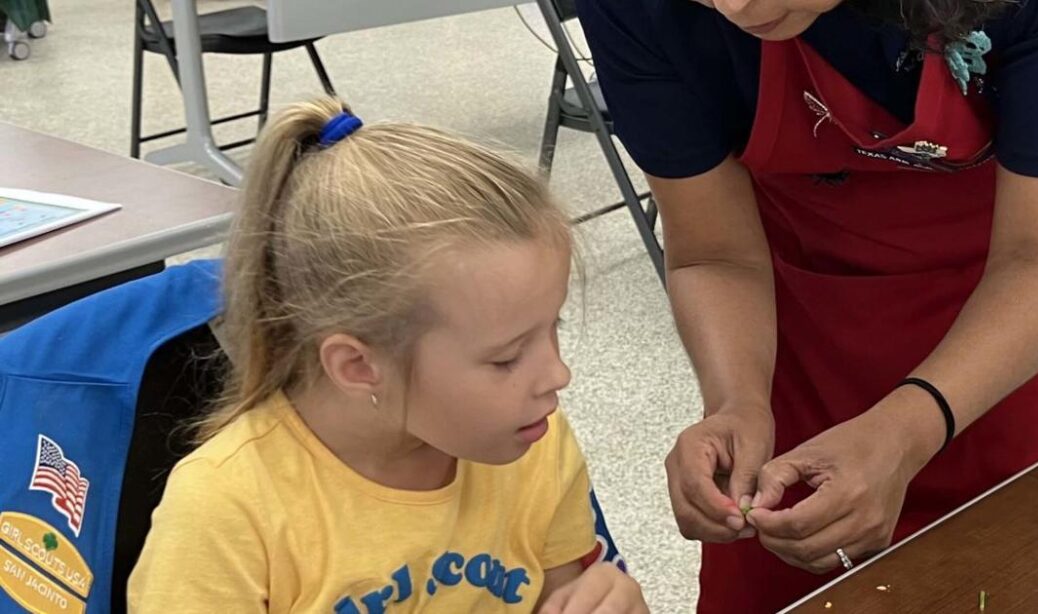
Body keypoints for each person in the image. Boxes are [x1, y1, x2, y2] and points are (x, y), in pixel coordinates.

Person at [576, 0, 1038, 609]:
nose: (737, 7)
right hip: (813, 309)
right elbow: (714, 254)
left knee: (1035, 566)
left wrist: (908, 428)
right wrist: (736, 400)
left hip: (1030, 315)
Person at [127, 98, 648, 614]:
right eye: (507, 358)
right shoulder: (226, 512)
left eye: (550, 327)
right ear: (358, 366)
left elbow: (557, 591)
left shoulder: (533, 443)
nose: (558, 374)